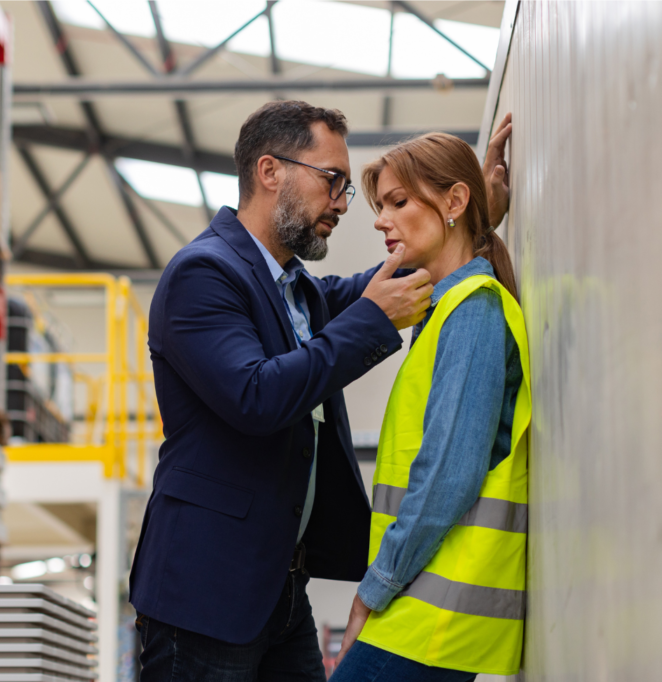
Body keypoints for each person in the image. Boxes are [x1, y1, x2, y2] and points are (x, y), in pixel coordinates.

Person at [130, 101, 512, 682]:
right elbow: (256, 396)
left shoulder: (297, 291)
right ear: (270, 171)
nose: (341, 202)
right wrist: (373, 321)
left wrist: (469, 215)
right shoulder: (202, 275)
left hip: (281, 591)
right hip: (205, 593)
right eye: (331, 180)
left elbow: (410, 273)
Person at [331, 128, 528, 682]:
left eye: (397, 202)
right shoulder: (445, 309)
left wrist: (372, 591)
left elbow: (447, 475)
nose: (378, 219)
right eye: (379, 205)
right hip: (421, 610)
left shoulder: (471, 313)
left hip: (428, 620)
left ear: (455, 202)